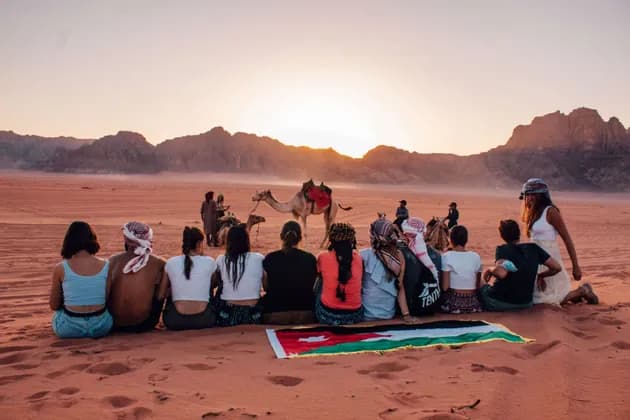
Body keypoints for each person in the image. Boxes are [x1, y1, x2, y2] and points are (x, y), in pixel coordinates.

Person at [520, 178, 598, 305]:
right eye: (527, 194)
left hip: (550, 259)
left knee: (548, 300)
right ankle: (573, 295)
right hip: (536, 259)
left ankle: (583, 291)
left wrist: (576, 266)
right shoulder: (532, 213)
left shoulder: (551, 212)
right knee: (538, 296)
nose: (529, 198)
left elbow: (568, 240)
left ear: (541, 195)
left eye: (533, 194)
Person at [49, 221, 113, 338]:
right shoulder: (106, 265)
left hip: (68, 328)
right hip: (101, 327)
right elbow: (107, 298)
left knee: (58, 314)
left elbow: (54, 305)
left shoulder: (61, 268)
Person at [481, 219, 562, 311]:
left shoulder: (503, 249)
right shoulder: (533, 248)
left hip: (499, 302)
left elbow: (501, 273)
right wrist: (541, 275)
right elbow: (556, 267)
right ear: (518, 233)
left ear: (502, 236)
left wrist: (489, 269)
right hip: (526, 303)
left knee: (480, 281)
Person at [107, 222, 165, 333]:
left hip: (114, 323)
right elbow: (161, 295)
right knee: (164, 285)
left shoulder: (113, 261)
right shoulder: (159, 263)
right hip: (144, 324)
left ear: (127, 241)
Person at [159, 227, 217, 330]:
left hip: (175, 321)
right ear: (199, 243)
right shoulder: (210, 262)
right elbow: (212, 285)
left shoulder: (171, 262)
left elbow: (161, 295)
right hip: (205, 320)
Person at [262, 221, 317, 324]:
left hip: (274, 313)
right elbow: (312, 285)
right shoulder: (310, 259)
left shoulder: (270, 258)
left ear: (281, 236)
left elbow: (266, 287)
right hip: (306, 313)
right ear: (300, 238)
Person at [361, 218, 414, 322]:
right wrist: (406, 315)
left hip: (366, 314)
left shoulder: (364, 255)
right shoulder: (399, 256)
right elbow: (399, 286)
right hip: (387, 314)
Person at [214, 225, 265, 326]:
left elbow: (216, 283)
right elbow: (266, 285)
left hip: (227, 315)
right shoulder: (259, 258)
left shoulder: (221, 259)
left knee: (221, 287)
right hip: (254, 315)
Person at [315, 223, 364, 325]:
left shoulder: (322, 257)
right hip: (355, 316)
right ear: (352, 240)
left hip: (327, 316)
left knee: (320, 281)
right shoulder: (359, 259)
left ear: (331, 240)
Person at [440, 226, 483, 313]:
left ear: (451, 240)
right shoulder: (476, 256)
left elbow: (445, 287)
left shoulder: (446, 256)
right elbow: (477, 285)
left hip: (453, 304)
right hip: (472, 303)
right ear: (466, 240)